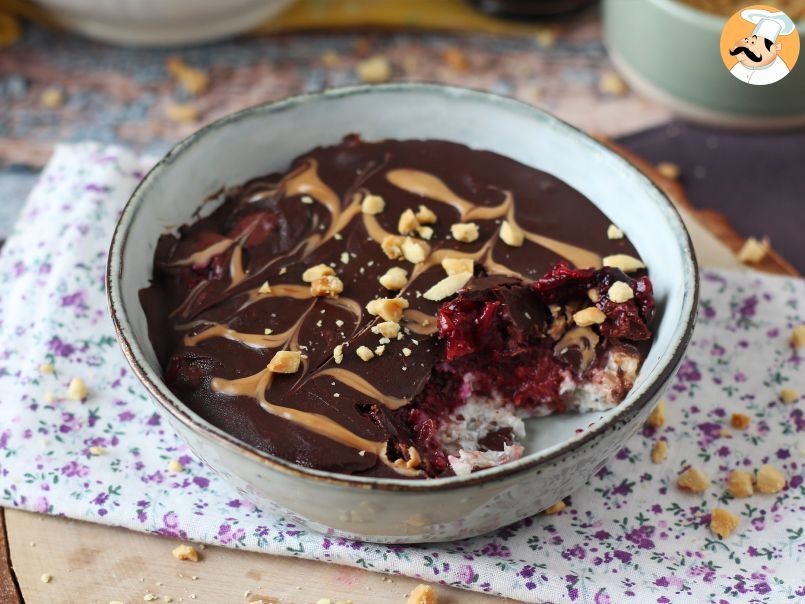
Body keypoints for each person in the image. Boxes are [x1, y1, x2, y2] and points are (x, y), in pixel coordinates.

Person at [729, 9, 796, 85]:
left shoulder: (779, 71)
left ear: (776, 47)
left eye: (753, 43)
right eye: (747, 40)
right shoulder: (738, 67)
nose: (746, 45)